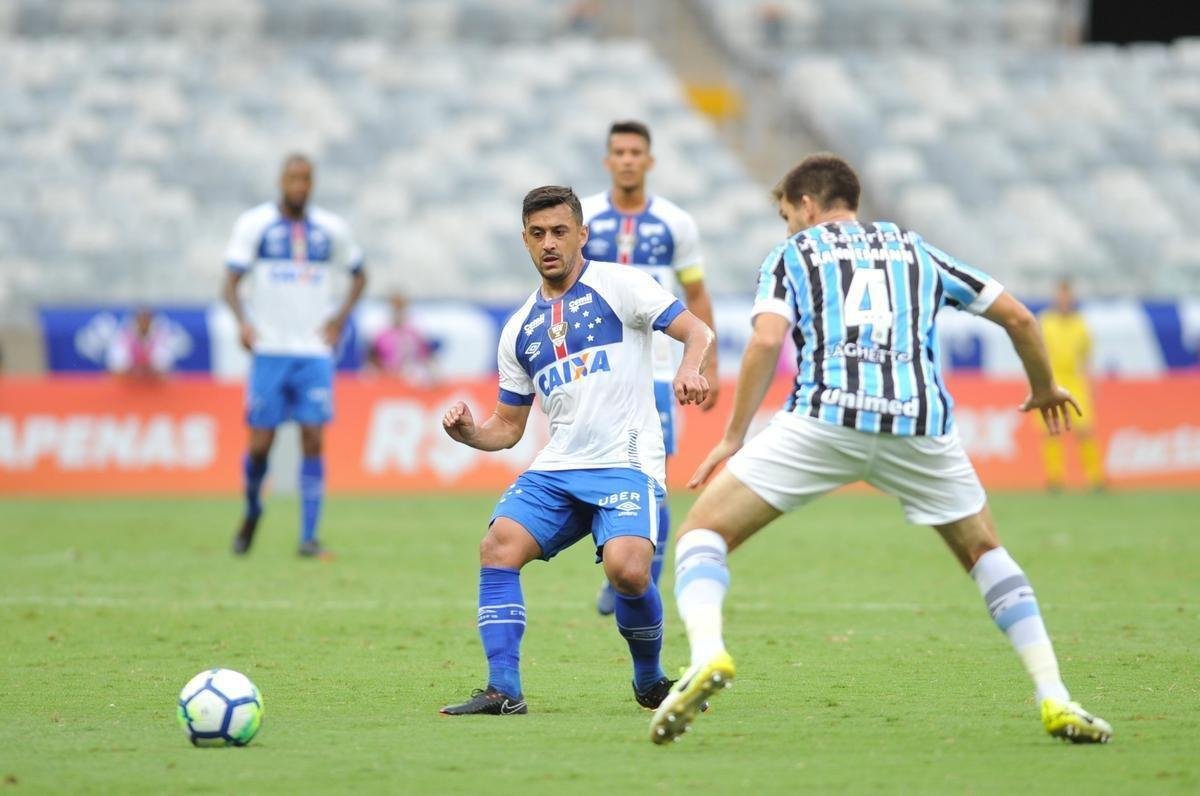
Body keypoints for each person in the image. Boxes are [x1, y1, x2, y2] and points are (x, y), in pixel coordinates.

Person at [649, 154, 1112, 745]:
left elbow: (767, 339)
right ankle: (1055, 696)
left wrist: (734, 437)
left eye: (789, 216)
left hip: (824, 418)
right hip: (918, 426)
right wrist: (1045, 386)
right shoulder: (918, 250)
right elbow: (1020, 318)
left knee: (701, 534)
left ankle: (707, 654)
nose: (789, 227)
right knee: (985, 553)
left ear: (808, 207)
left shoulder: (795, 254)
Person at [439, 185, 714, 715]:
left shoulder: (621, 284)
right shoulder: (519, 329)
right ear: (524, 241)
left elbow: (696, 330)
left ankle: (651, 681)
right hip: (559, 467)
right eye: (538, 234)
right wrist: (471, 433)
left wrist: (687, 367)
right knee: (498, 547)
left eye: (560, 231)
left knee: (629, 571)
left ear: (581, 235)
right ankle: (504, 690)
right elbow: (508, 427)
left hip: (625, 459)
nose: (549, 243)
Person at [581, 119, 720, 616]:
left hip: (660, 370)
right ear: (607, 160)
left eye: (635, 151)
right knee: (599, 467)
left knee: (651, 475)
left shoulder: (676, 223)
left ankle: (637, 583)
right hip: (599, 368)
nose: (627, 159)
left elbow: (697, 294)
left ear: (649, 161)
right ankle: (618, 564)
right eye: (618, 151)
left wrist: (709, 363)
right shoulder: (587, 219)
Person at [221, 153, 366, 558]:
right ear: (281, 181)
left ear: (313, 183)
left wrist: (337, 321)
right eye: (292, 178)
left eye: (305, 179)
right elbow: (229, 283)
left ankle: (308, 536)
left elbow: (360, 275)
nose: (299, 185)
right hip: (270, 350)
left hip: (314, 352)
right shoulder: (255, 225)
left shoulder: (331, 230)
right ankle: (252, 510)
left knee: (313, 437)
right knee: (259, 446)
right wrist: (243, 322)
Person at [1037, 280, 1104, 490]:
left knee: (1085, 429)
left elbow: (1087, 357)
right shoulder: (1045, 322)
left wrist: (1092, 383)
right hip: (1051, 381)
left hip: (1076, 382)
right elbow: (1036, 353)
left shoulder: (1080, 324)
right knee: (1051, 430)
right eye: (1060, 296)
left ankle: (1095, 479)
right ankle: (1054, 479)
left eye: (1067, 297)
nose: (1064, 301)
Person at [368, 293, 436, 385]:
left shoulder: (414, 330)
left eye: (401, 305)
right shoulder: (380, 330)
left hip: (413, 376)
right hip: (388, 377)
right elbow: (373, 356)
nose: (398, 308)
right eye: (395, 305)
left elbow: (425, 354)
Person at [105, 307, 178, 378]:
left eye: (146, 320)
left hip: (153, 380)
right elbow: (117, 362)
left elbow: (165, 363)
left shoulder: (160, 336)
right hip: (129, 379)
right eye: (141, 320)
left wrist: (148, 369)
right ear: (136, 321)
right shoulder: (125, 335)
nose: (143, 323)